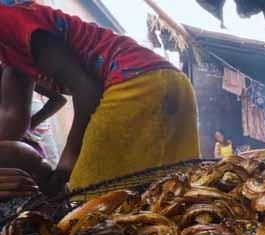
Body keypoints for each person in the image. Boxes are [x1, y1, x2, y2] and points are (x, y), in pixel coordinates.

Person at [0, 2, 200, 194]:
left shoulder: (7, 20)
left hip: (134, 83)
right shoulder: (9, 52)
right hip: (172, 83)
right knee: (174, 191)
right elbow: (13, 118)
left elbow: (87, 90)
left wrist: (69, 157)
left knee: (87, 199)